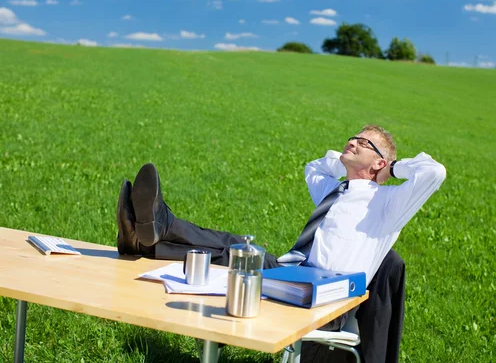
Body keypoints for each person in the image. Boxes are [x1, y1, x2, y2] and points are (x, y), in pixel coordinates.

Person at [116, 124, 446, 362]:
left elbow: (434, 173)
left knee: (237, 253)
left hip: (326, 302)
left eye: (364, 143)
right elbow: (313, 167)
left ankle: (154, 230)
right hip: (295, 279)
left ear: (378, 164)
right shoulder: (334, 191)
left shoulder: (388, 205)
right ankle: (145, 238)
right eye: (353, 137)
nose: (352, 141)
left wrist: (394, 167)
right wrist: (348, 158)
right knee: (237, 251)